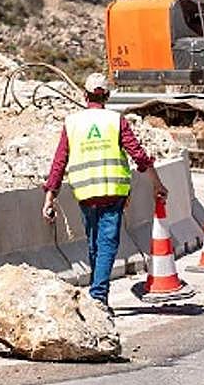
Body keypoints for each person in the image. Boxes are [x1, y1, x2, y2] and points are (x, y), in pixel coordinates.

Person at [42, 72, 167, 309]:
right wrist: (157, 184)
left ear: (84, 94)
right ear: (107, 96)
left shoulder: (72, 123)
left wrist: (50, 197)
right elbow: (138, 155)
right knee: (107, 244)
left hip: (86, 194)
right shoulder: (115, 120)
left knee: (94, 243)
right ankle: (98, 297)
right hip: (112, 192)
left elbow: (59, 162)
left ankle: (97, 293)